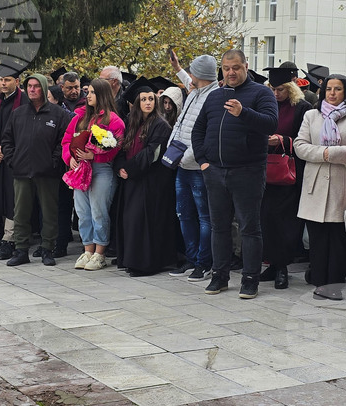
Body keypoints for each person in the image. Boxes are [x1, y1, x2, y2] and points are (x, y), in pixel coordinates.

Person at [192, 50, 278, 299]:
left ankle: (250, 279)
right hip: (215, 172)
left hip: (247, 171)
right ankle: (219, 276)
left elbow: (271, 123)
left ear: (246, 67)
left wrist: (244, 113)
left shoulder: (261, 92)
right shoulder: (214, 96)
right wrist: (203, 162)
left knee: (249, 228)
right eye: (226, 68)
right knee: (219, 227)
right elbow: (198, 130)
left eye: (236, 67)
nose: (231, 72)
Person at [295, 74, 346, 300]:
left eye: (337, 89)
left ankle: (335, 286)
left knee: (338, 239)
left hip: (343, 182)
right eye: (328, 89)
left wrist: (334, 153)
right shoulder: (311, 115)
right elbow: (300, 146)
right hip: (315, 184)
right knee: (317, 239)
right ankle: (319, 283)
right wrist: (328, 153)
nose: (332, 93)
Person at [2, 74, 73, 267]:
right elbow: (7, 140)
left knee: (49, 214)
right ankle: (21, 250)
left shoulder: (58, 114)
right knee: (21, 213)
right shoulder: (18, 113)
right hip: (22, 172)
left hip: (48, 173)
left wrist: (53, 162)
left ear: (43, 88)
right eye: (29, 86)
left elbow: (63, 141)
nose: (32, 89)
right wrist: (12, 160)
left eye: (36, 86)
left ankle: (47, 249)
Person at [113, 81, 177, 276]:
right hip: (131, 179)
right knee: (130, 220)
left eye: (151, 99)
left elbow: (153, 153)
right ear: (137, 103)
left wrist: (129, 169)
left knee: (143, 221)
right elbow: (121, 148)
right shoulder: (131, 122)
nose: (148, 103)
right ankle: (130, 259)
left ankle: (144, 263)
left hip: (151, 180)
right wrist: (120, 167)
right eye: (144, 100)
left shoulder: (161, 125)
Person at [167, 55, 220, 282]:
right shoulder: (195, 92)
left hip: (198, 167)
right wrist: (171, 150)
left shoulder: (214, 97)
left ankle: (203, 263)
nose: (191, 76)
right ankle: (190, 257)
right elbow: (180, 123)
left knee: (204, 217)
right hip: (181, 164)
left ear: (202, 74)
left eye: (193, 72)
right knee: (184, 214)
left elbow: (206, 137)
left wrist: (185, 158)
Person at [62, 79, 124, 272]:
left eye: (92, 93)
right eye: (87, 92)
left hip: (101, 170)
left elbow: (117, 147)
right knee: (82, 212)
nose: (87, 95)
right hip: (80, 169)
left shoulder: (114, 120)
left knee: (99, 211)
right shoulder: (79, 118)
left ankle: (100, 253)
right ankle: (87, 250)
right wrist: (70, 158)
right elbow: (65, 141)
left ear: (102, 95)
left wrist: (96, 154)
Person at [259, 66, 311, 289]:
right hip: (264, 171)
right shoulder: (264, 105)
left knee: (286, 223)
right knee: (266, 219)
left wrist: (282, 140)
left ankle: (282, 267)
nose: (275, 93)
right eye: (272, 88)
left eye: (280, 89)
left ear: (290, 88)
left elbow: (303, 140)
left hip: (289, 173)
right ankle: (272, 263)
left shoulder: (302, 108)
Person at [0, 71, 24, 259]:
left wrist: (5, 152)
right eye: (1, 80)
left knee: (12, 199)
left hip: (15, 160)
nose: (3, 83)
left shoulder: (24, 101)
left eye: (7, 80)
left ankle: (10, 239)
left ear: (17, 81)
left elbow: (25, 132)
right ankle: (3, 235)